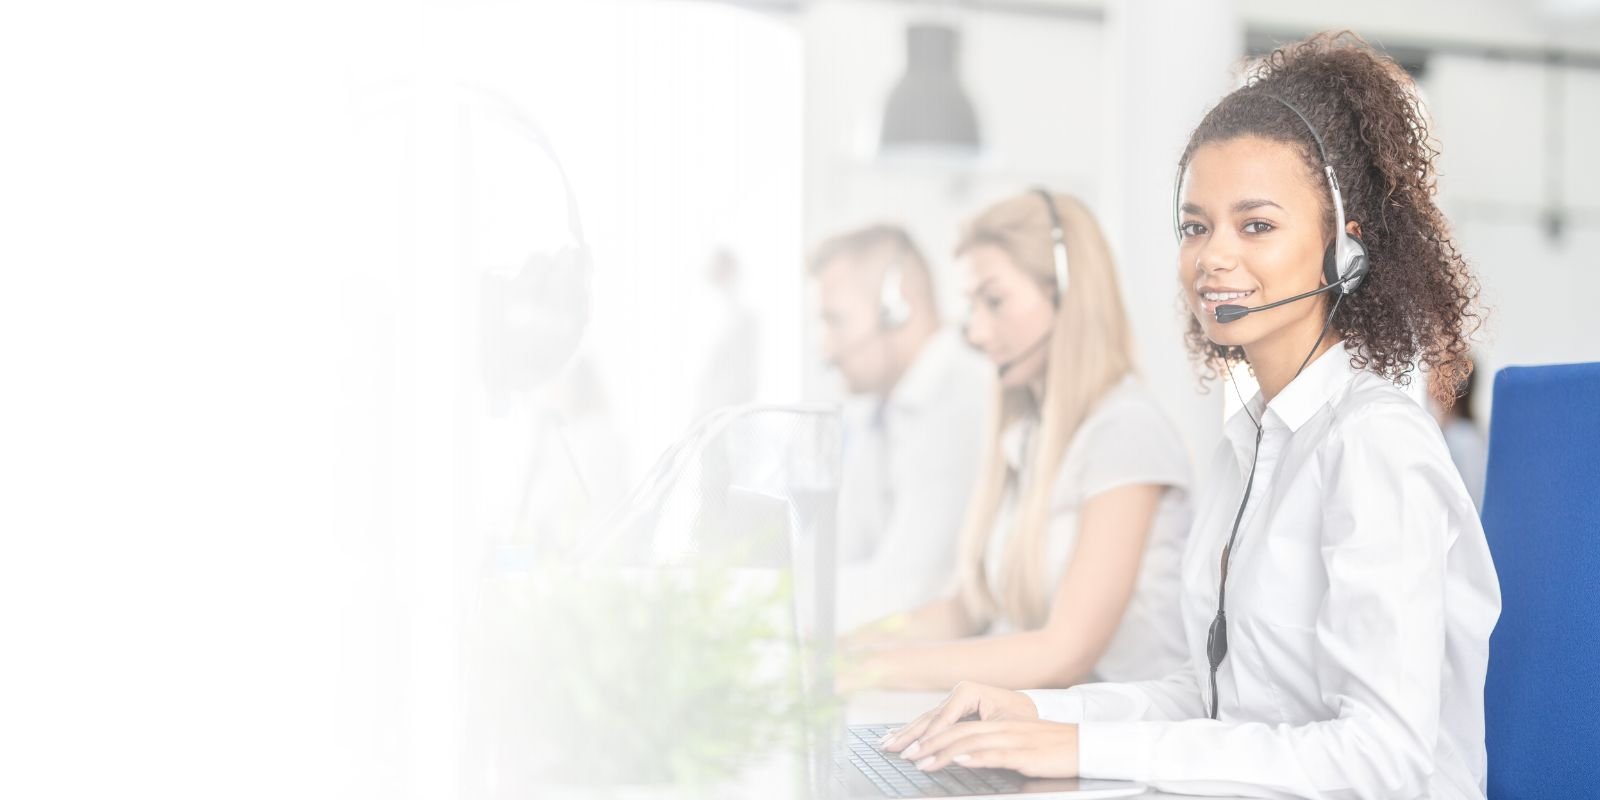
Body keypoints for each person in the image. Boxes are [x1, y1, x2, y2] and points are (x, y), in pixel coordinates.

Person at [881, 34, 1501, 800]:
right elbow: (1213, 699)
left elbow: (1379, 759)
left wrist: (1084, 747)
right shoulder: (1252, 442)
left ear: (1344, 248)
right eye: (1195, 226)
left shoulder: (1375, 443)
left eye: (1257, 225)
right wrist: (1036, 714)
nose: (1212, 257)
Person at [840, 191, 1192, 692]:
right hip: (1032, 728)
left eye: (995, 301)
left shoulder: (1127, 432)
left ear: (1068, 295)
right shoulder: (1026, 433)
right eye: (971, 306)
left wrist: (866, 672)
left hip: (1111, 748)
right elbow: (963, 610)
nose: (977, 331)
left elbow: (1064, 653)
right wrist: (838, 651)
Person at [811, 225, 992, 630]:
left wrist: (776, 613)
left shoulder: (963, 400)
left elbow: (911, 588)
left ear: (899, 308)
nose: (826, 349)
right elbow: (844, 552)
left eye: (835, 321)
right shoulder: (876, 408)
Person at [1431, 356, 1488, 509]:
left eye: (1437, 371)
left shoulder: (1465, 439)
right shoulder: (1442, 431)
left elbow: (1472, 500)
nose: (1429, 376)